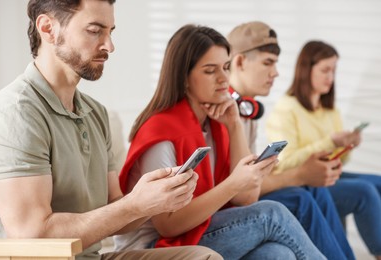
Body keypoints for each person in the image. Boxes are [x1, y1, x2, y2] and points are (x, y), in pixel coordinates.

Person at [0, 1, 224, 260]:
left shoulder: (96, 114)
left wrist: (150, 201)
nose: (109, 46)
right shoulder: (15, 111)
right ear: (48, 28)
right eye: (94, 30)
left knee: (203, 257)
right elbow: (32, 235)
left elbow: (117, 213)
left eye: (110, 31)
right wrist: (133, 205)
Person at [114, 23, 326, 260]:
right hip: (154, 246)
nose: (224, 78)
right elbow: (168, 225)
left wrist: (234, 125)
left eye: (225, 67)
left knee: (278, 254)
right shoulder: (160, 132)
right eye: (210, 70)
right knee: (272, 213)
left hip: (198, 230)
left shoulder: (216, 123)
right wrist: (233, 183)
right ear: (184, 77)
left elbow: (246, 198)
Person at [226, 21, 355, 260]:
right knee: (302, 195)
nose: (276, 72)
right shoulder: (224, 112)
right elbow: (240, 191)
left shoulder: (249, 111)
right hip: (232, 208)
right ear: (240, 62)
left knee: (314, 191)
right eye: (268, 63)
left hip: (245, 198)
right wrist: (299, 174)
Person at [266, 40, 381, 259]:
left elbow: (339, 161)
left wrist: (347, 145)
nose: (331, 77)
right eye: (325, 70)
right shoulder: (286, 109)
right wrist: (330, 142)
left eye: (334, 70)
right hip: (301, 180)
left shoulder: (330, 109)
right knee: (365, 192)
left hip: (328, 174)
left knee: (378, 182)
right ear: (306, 69)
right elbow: (286, 161)